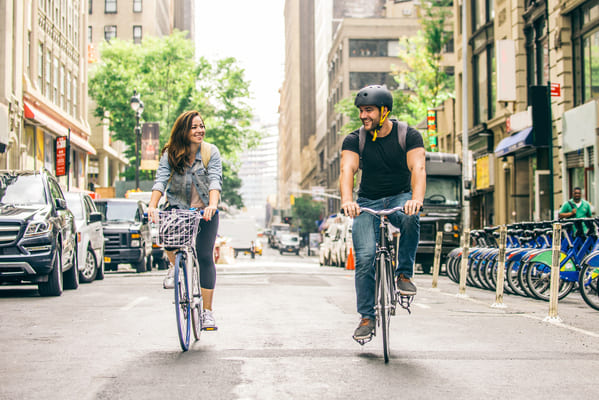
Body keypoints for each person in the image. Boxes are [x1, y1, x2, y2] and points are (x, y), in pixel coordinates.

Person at [339, 85, 426, 343]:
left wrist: (416, 200)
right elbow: (347, 171)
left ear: (385, 111)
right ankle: (367, 317)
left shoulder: (408, 135)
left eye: (369, 111)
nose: (363, 116)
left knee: (411, 217)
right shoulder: (354, 140)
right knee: (365, 258)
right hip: (367, 202)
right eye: (361, 111)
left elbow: (418, 168)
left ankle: (403, 275)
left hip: (400, 197)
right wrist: (347, 201)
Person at [148, 110, 222, 330]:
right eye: (194, 127)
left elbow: (215, 181)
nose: (200, 130)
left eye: (202, 126)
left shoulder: (210, 152)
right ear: (183, 131)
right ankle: (174, 266)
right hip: (178, 210)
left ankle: (207, 313)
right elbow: (160, 181)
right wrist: (152, 205)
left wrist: (212, 205)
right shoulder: (170, 154)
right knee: (168, 238)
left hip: (204, 212)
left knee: (205, 257)